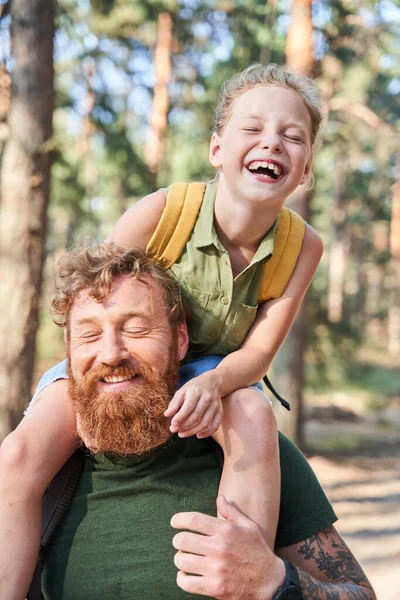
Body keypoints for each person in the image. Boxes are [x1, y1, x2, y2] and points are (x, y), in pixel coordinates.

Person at [0, 63, 324, 599]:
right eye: (253, 128)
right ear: (217, 149)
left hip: (211, 369)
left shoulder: (301, 246)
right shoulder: (165, 212)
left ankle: (242, 572)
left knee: (253, 414)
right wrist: (89, 374)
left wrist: (213, 386)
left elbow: (261, 351)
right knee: (18, 454)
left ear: (306, 169)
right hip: (126, 353)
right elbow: (92, 296)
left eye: (292, 136)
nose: (273, 142)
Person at [34, 244, 374, 600]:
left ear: (180, 340)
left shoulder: (251, 450)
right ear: (69, 347)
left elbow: (360, 593)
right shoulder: (42, 472)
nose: (111, 353)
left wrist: (276, 581)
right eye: (89, 335)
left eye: (136, 329)